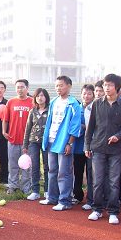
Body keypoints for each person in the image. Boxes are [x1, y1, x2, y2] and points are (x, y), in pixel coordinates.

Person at [85, 74, 121, 224]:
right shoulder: (97, 103)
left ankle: (113, 211)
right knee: (97, 181)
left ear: (116, 87)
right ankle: (97, 209)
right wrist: (87, 145)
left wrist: (118, 136)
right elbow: (90, 127)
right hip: (98, 148)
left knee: (113, 182)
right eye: (105, 85)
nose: (106, 88)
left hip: (116, 150)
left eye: (110, 85)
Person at [39, 76, 82, 211]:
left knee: (64, 172)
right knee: (52, 170)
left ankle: (65, 201)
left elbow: (75, 126)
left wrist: (70, 143)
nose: (58, 88)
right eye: (57, 85)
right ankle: (52, 197)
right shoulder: (53, 101)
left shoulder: (73, 104)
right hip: (51, 141)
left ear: (69, 86)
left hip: (64, 142)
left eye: (61, 85)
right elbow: (50, 121)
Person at [3, 80, 33, 195]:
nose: (20, 89)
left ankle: (26, 187)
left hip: (27, 141)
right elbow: (6, 119)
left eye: (22, 87)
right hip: (13, 138)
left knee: (26, 165)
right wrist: (4, 131)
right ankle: (13, 185)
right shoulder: (11, 102)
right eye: (18, 87)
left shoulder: (32, 102)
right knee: (13, 164)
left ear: (27, 88)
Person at [23, 88, 50, 201]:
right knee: (34, 166)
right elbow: (28, 128)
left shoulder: (50, 110)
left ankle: (48, 190)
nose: (40, 98)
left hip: (47, 142)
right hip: (33, 141)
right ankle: (35, 191)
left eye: (42, 95)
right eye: (38, 96)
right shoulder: (32, 111)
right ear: (35, 98)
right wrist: (25, 145)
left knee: (47, 166)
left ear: (46, 97)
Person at [73, 84, 95, 208]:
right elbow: (74, 125)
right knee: (77, 172)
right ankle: (77, 195)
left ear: (93, 95)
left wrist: (86, 127)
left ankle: (91, 199)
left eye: (89, 94)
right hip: (78, 146)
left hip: (91, 146)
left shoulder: (96, 108)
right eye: (84, 93)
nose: (86, 96)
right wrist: (83, 127)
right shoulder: (77, 108)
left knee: (91, 173)